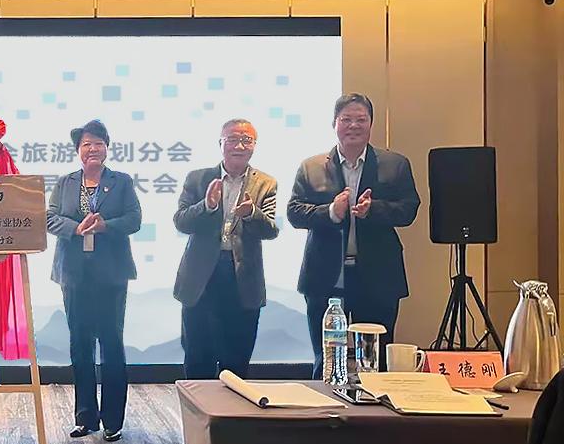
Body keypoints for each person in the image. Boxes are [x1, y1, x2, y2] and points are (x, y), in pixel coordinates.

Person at [287, 93, 420, 377]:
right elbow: (295, 213)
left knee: (376, 362)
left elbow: (409, 210)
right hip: (325, 276)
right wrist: (331, 212)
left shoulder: (395, 164)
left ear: (371, 123)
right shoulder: (311, 167)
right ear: (334, 123)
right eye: (346, 119)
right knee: (325, 361)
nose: (354, 126)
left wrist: (375, 209)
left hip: (377, 276)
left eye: (361, 119)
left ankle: (376, 405)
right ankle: (324, 404)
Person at [46, 120, 141, 442]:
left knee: (112, 345)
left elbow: (134, 219)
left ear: (107, 148)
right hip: (74, 274)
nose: (93, 149)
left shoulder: (121, 181)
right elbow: (49, 218)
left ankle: (113, 420)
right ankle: (85, 417)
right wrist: (75, 228)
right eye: (87, 144)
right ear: (78, 150)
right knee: (80, 345)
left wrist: (105, 226)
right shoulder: (65, 183)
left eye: (98, 143)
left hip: (111, 275)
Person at [173, 119, 279, 379]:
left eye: (246, 140)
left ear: (254, 146)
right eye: (232, 139)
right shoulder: (198, 178)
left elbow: (271, 230)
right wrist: (207, 206)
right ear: (220, 143)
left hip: (242, 279)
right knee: (198, 357)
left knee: (237, 360)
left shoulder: (266, 183)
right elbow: (181, 221)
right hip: (202, 279)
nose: (239, 146)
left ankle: (232, 407)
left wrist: (252, 213)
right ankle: (199, 406)